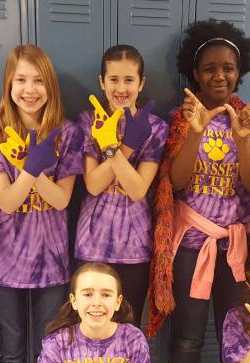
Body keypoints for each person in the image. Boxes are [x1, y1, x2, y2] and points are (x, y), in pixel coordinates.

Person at [146, 20, 250, 363]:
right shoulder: (181, 119)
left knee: (236, 334)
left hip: (236, 246)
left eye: (228, 68)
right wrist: (196, 134)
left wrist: (241, 139)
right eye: (209, 68)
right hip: (190, 246)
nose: (219, 75)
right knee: (187, 336)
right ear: (194, 73)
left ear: (240, 71)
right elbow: (177, 181)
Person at [0, 44, 83, 363]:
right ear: (9, 84)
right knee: (12, 349)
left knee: (48, 347)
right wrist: (32, 166)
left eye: (38, 80)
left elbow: (62, 199)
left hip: (52, 263)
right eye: (21, 79)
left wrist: (33, 167)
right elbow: (5, 201)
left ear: (50, 86)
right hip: (7, 260)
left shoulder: (68, 133)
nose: (29, 89)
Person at [74, 44, 168, 327]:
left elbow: (138, 188)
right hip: (92, 245)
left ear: (141, 83)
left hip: (135, 247)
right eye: (113, 79)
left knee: (127, 330)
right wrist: (125, 147)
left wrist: (113, 149)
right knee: (89, 331)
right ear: (102, 82)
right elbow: (92, 184)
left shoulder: (155, 127)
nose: (121, 88)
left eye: (129, 80)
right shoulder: (89, 121)